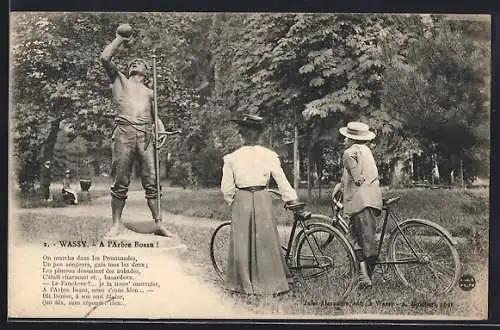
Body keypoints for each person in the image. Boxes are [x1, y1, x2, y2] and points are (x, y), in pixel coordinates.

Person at [100, 24, 173, 238]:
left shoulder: (151, 92)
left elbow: (154, 115)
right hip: (124, 133)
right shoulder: (120, 80)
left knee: (152, 180)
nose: (137, 64)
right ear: (130, 69)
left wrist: (160, 129)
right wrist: (120, 39)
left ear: (147, 72)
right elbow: (105, 58)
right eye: (134, 62)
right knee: (121, 180)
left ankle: (158, 222)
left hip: (145, 137)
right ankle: (116, 224)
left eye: (141, 64)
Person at [220, 114, 299, 296]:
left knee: (242, 240)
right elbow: (281, 180)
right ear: (259, 136)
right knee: (266, 239)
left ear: (242, 136)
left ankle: (244, 281)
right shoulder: (269, 155)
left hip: (242, 198)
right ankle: (270, 280)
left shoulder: (232, 158)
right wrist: (290, 198)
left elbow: (227, 188)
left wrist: (233, 201)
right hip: (263, 197)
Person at [337, 121, 382, 287]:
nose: (344, 141)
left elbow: (356, 177)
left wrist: (356, 178)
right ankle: (362, 275)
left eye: (346, 138)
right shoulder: (366, 150)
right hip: (371, 198)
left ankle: (366, 278)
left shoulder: (350, 152)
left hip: (361, 202)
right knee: (358, 237)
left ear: (351, 139)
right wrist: (341, 186)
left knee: (361, 240)